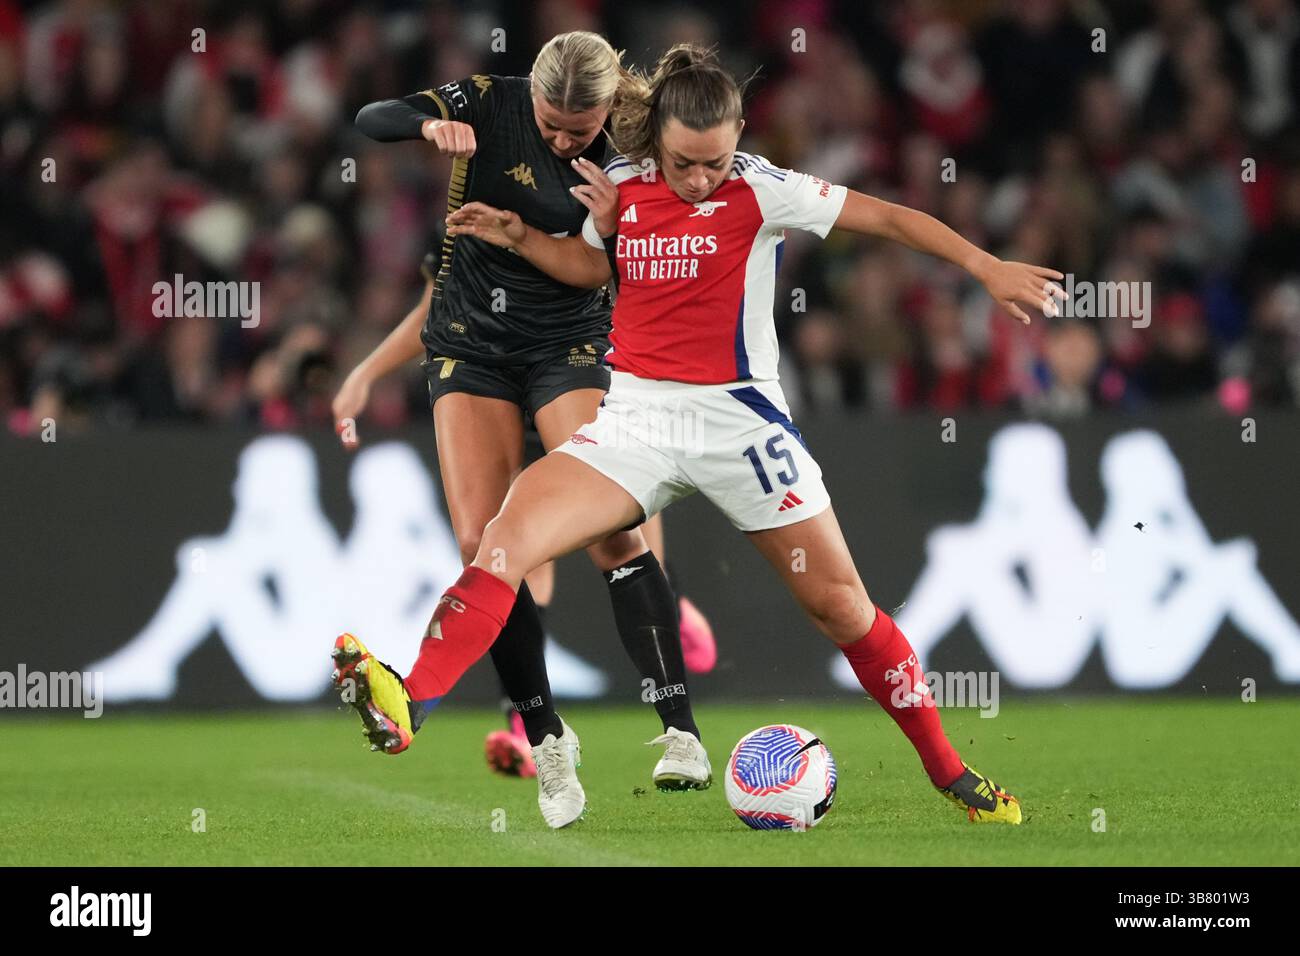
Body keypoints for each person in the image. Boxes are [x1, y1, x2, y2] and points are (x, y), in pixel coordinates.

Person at [351, 43, 1066, 824]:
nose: (700, 179)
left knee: (843, 610)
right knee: (505, 536)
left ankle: (952, 773)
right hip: (637, 422)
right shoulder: (618, 184)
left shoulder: (764, 187)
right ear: (657, 138)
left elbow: (888, 216)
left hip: (740, 430)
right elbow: (592, 272)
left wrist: (985, 264)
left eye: (715, 162)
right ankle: (409, 700)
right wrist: (523, 237)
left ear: (738, 137)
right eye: (687, 163)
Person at [332, 32, 713, 830]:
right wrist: (424, 127)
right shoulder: (490, 100)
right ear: (531, 94)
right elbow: (371, 115)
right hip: (469, 344)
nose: (565, 140)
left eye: (581, 129)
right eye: (552, 124)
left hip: (568, 344)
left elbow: (616, 265)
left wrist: (580, 230)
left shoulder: (640, 146)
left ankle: (679, 727)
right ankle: (547, 740)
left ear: (611, 109)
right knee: (485, 544)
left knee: (613, 527)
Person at [332, 250, 718, 780]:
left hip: (566, 353)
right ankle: (534, 728)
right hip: (479, 365)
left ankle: (680, 715)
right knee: (496, 551)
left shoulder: (599, 175)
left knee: (615, 533)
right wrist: (368, 371)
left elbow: (630, 262)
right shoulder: (467, 189)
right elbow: (437, 294)